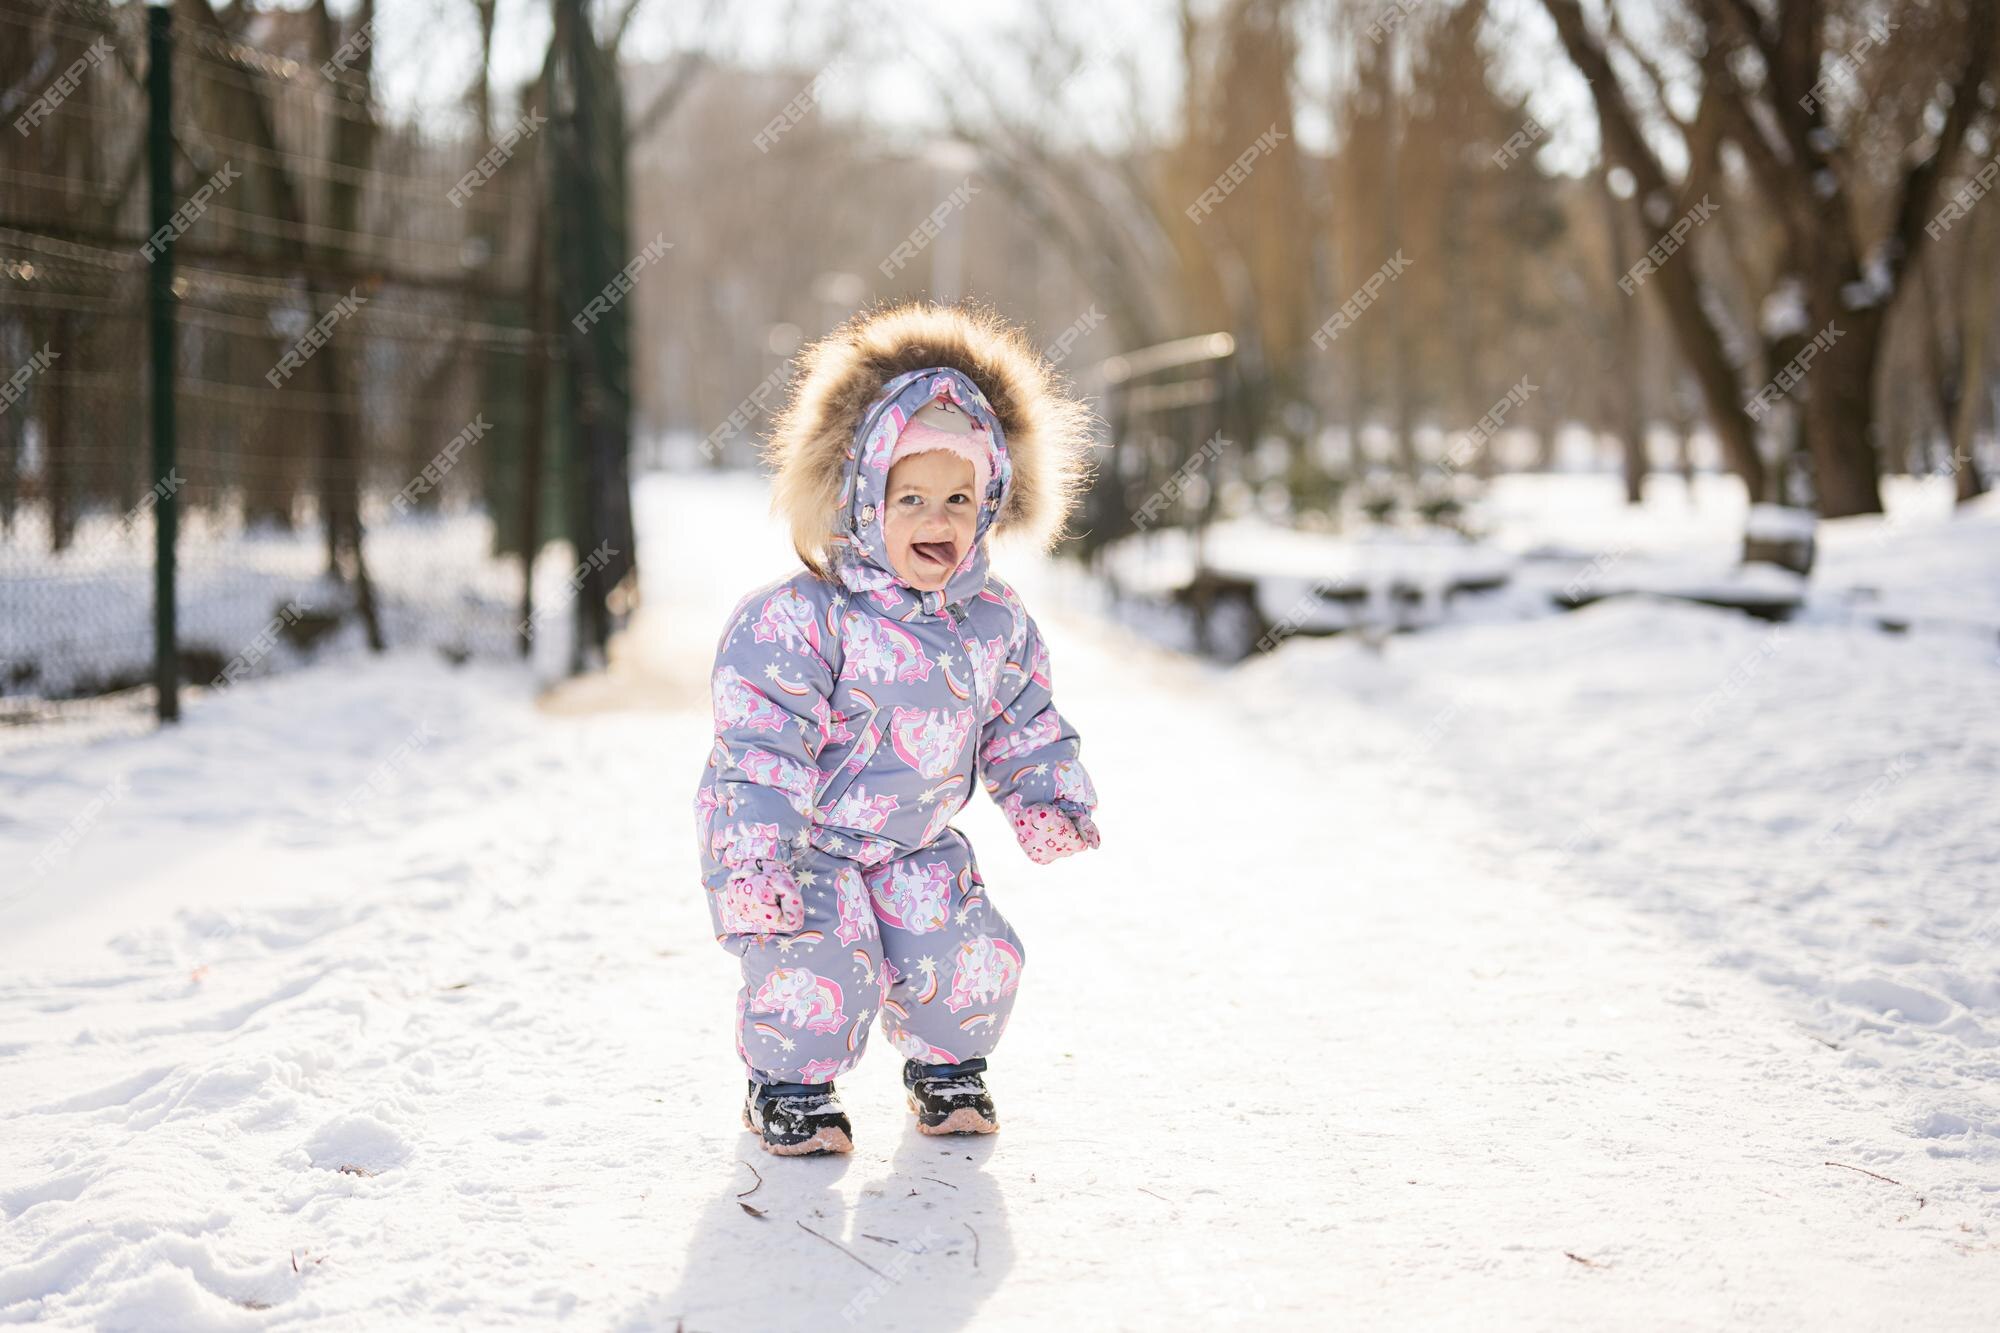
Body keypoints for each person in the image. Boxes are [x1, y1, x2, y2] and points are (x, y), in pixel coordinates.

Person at [694, 302, 1103, 1155]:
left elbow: (1024, 718)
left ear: (992, 502)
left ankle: (946, 1068)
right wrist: (757, 855)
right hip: (805, 843)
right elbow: (759, 747)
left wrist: (1046, 793)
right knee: (818, 964)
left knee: (968, 951)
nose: (937, 519)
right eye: (910, 496)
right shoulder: (802, 619)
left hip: (916, 842)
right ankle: (790, 1086)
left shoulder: (994, 621)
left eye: (960, 497)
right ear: (860, 497)